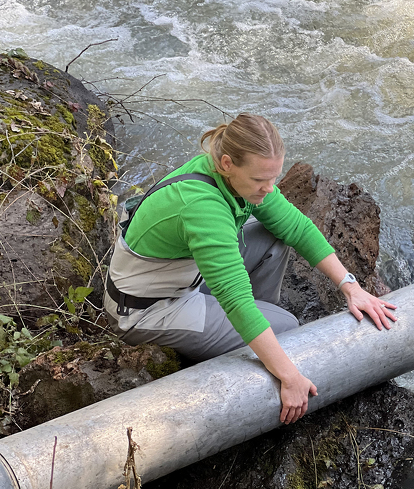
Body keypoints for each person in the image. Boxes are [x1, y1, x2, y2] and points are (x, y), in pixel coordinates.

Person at [104, 113, 396, 425]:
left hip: (182, 279)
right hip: (147, 311)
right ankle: (254, 336)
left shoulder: (231, 176)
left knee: (275, 237)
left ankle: (252, 332)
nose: (269, 188)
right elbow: (236, 301)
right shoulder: (202, 206)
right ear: (228, 163)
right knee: (286, 328)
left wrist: (352, 288)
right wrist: (290, 376)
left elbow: (297, 228)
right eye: (260, 180)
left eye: (275, 177)